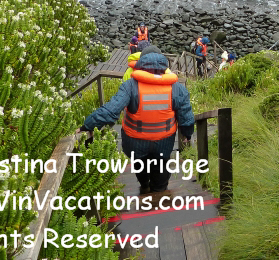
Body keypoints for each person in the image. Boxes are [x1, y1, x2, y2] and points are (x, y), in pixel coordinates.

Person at [77, 46, 194, 194]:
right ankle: (159, 193)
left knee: (140, 164)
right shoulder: (177, 88)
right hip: (163, 141)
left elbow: (111, 110)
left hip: (135, 140)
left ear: (141, 62)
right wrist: (187, 134)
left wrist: (87, 126)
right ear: (164, 64)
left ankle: (144, 184)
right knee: (161, 167)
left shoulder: (130, 86)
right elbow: (186, 116)